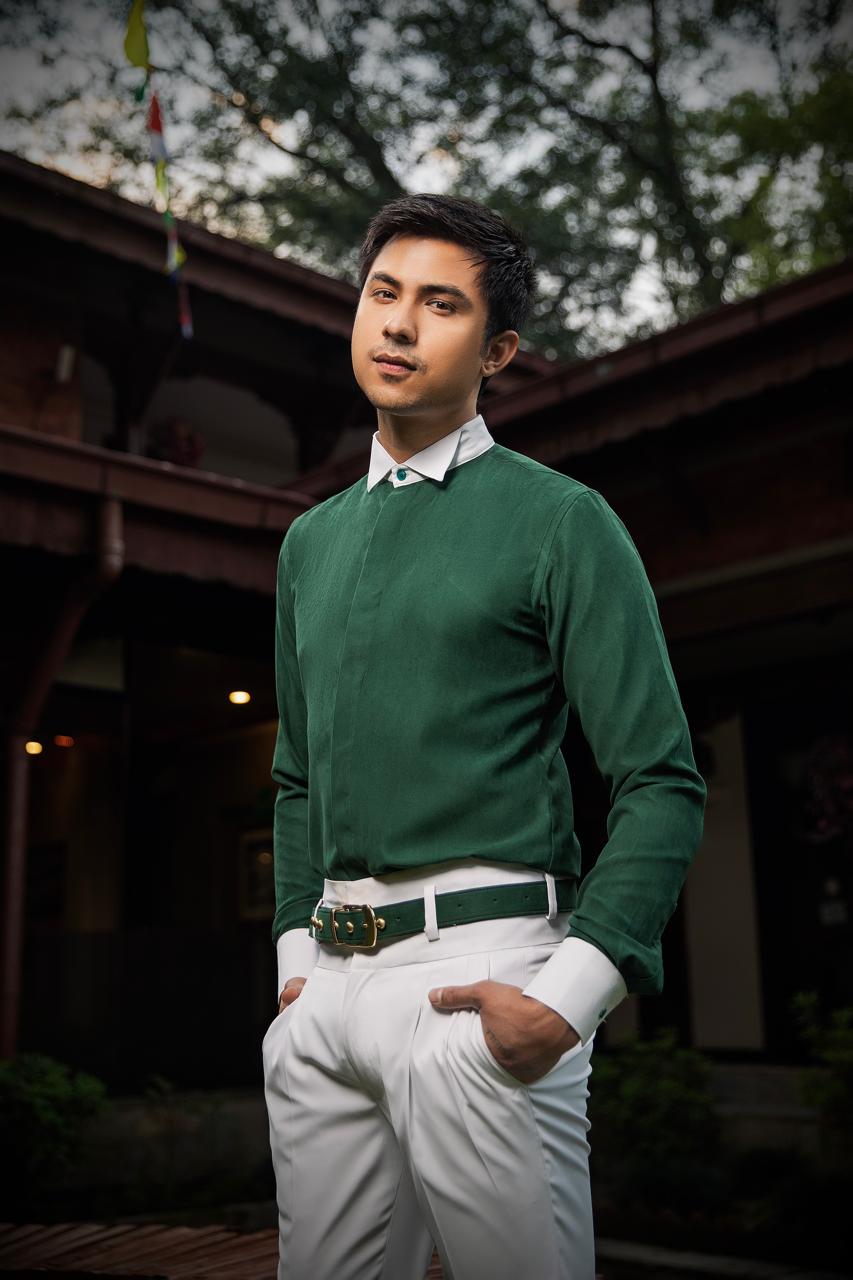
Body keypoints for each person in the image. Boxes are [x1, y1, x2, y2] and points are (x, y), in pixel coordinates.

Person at [262, 193, 707, 1280]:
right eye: (382, 293)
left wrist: (569, 997)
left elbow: (661, 779)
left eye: (441, 304)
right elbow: (295, 777)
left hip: (482, 984)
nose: (398, 323)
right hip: (326, 997)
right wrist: (293, 964)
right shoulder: (309, 542)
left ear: (496, 349)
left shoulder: (559, 519)